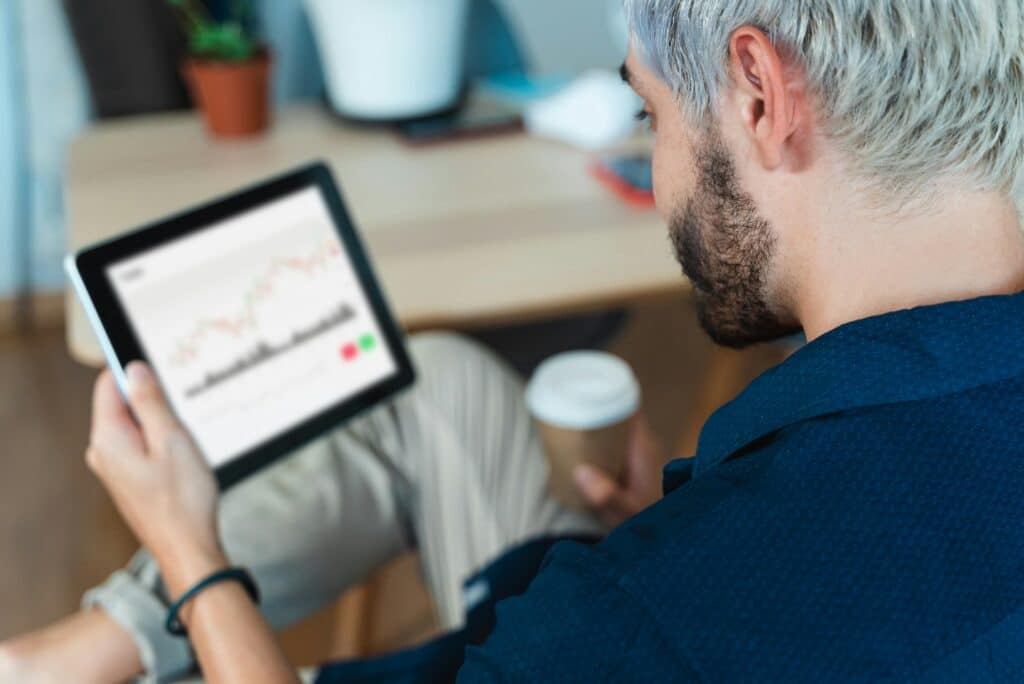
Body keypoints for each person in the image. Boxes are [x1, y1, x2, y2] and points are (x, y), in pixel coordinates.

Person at [5, 0, 1024, 680]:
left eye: (650, 112)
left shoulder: (645, 610)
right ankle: (91, 644)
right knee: (444, 377)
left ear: (759, 92)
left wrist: (189, 554)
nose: (661, 179)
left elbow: (703, 608)